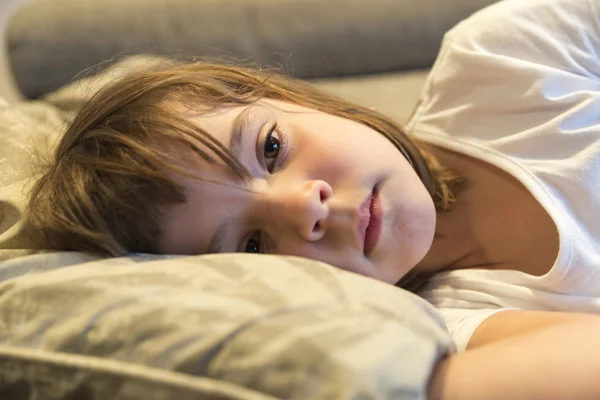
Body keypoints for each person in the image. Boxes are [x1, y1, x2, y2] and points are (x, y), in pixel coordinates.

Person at [23, 0, 600, 397]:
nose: (305, 207)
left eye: (271, 148)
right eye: (252, 246)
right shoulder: (445, 326)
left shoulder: (504, 61)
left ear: (287, 97)